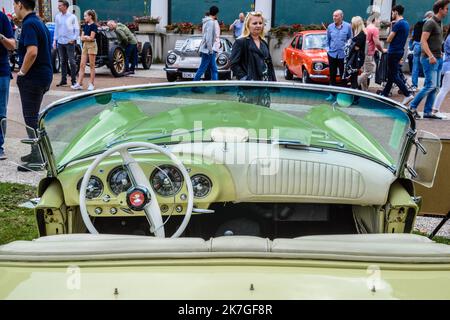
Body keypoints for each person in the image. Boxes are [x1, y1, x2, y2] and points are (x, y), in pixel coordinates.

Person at [13, 0, 53, 170]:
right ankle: (36, 151)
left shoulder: (29, 24)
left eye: (14, 4)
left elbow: (32, 52)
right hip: (44, 74)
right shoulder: (38, 22)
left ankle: (37, 158)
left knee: (30, 118)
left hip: (33, 77)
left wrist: (22, 72)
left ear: (20, 4)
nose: (14, 8)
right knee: (34, 116)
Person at [408, 0, 449, 119]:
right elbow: (423, 41)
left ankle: (427, 112)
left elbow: (435, 41)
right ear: (440, 9)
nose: (447, 11)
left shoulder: (439, 23)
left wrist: (439, 53)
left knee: (435, 86)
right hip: (429, 59)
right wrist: (430, 55)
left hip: (437, 58)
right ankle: (412, 106)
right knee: (430, 86)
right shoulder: (430, 23)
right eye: (446, 8)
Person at [380, 4, 414, 104]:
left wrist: (391, 29)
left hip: (393, 51)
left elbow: (389, 39)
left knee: (394, 75)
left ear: (396, 12)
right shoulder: (406, 23)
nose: (391, 14)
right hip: (399, 51)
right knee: (391, 74)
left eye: (392, 12)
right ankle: (384, 94)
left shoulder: (398, 24)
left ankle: (407, 94)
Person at [230, 11, 276, 82]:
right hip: (249, 88)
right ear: (247, 25)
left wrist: (273, 82)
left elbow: (269, 65)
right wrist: (245, 78)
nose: (258, 25)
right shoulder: (241, 42)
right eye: (255, 23)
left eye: (260, 23)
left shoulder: (264, 43)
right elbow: (233, 64)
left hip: (265, 86)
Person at [0, 11, 16, 161]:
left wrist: (1, 36)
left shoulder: (2, 17)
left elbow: (12, 45)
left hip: (1, 72)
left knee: (0, 112)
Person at [53, 0, 79, 87]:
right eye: (58, 5)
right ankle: (63, 80)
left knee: (72, 61)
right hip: (60, 42)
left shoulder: (72, 17)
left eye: (60, 5)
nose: (58, 7)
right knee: (63, 61)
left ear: (65, 6)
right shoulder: (57, 17)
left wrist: (74, 39)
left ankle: (74, 81)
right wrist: (54, 40)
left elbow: (77, 29)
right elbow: (56, 29)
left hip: (69, 42)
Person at [358, 13, 387, 91]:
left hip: (363, 53)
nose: (379, 21)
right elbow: (377, 42)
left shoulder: (367, 28)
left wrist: (375, 49)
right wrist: (382, 50)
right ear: (375, 19)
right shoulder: (374, 29)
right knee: (368, 72)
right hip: (369, 54)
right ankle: (355, 84)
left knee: (364, 72)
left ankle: (365, 90)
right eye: (379, 19)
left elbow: (369, 41)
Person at [72, 10, 97, 91]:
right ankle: (79, 83)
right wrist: (86, 37)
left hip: (92, 46)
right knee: (82, 65)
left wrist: (86, 37)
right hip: (85, 45)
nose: (84, 17)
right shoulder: (85, 25)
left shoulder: (94, 26)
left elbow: (92, 38)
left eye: (85, 16)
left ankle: (91, 84)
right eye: (84, 16)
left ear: (90, 16)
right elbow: (82, 37)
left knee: (92, 65)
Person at [326, 10, 352, 89]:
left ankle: (343, 94)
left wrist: (347, 47)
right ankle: (332, 94)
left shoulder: (348, 26)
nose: (334, 17)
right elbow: (327, 40)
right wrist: (328, 50)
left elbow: (350, 38)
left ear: (341, 16)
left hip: (343, 55)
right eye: (333, 16)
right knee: (332, 75)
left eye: (336, 16)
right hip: (332, 54)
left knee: (343, 75)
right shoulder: (330, 27)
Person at [193, 5, 220, 81]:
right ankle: (194, 86)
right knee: (202, 69)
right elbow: (208, 39)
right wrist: (211, 51)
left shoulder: (206, 21)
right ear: (216, 13)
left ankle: (215, 87)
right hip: (208, 51)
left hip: (207, 49)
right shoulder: (211, 22)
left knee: (214, 69)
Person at [410, 11, 434, 91]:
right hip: (425, 46)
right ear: (429, 16)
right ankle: (425, 86)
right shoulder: (430, 25)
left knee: (415, 66)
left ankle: (414, 85)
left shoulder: (418, 23)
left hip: (417, 46)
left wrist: (412, 46)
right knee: (426, 66)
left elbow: (413, 35)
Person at [343, 16, 366, 90]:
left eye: (352, 23)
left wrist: (350, 45)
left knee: (354, 78)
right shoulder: (358, 34)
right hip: (355, 58)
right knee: (353, 78)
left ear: (356, 24)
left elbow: (356, 47)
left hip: (356, 59)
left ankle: (355, 96)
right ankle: (355, 96)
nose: (350, 24)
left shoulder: (361, 35)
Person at [432, 25, 450, 118]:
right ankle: (435, 109)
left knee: (444, 89)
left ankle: (435, 109)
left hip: (447, 67)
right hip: (448, 68)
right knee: (444, 89)